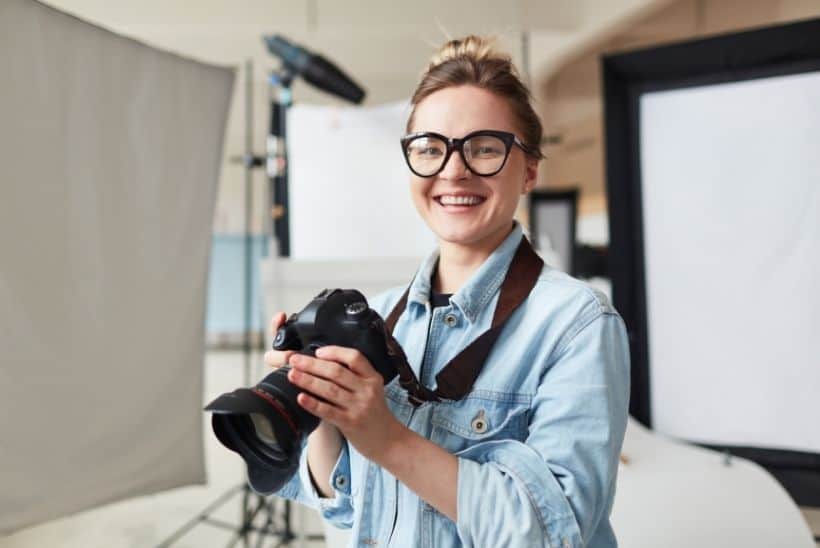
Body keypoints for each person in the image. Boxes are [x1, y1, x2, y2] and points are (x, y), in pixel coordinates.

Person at [265, 35, 630, 548]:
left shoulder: (577, 325)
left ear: (529, 169)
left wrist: (388, 439)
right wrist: (318, 405)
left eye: (484, 148)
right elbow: (347, 507)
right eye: (431, 148)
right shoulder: (380, 315)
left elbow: (552, 535)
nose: (453, 169)